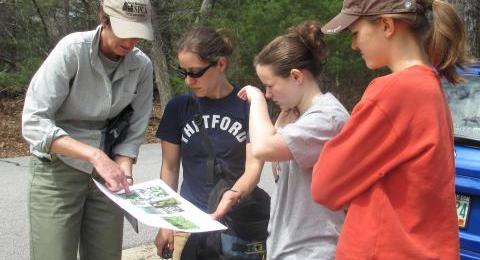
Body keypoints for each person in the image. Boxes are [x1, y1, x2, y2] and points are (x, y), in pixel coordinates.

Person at [311, 0, 468, 259]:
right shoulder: (429, 87)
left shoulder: (395, 91)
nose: (353, 45)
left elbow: (324, 184)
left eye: (356, 33)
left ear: (386, 25)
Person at [21, 0, 154, 259]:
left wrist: (124, 166)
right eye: (124, 31)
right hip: (57, 169)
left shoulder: (142, 66)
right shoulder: (72, 50)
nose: (130, 42)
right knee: (54, 253)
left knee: (105, 254)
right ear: (104, 19)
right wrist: (93, 155)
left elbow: (135, 128)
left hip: (108, 174)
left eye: (137, 34)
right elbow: (34, 121)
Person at [237, 21, 349, 259]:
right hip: (292, 248)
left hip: (314, 250)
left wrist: (256, 99)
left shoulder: (327, 118)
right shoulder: (297, 116)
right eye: (263, 89)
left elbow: (263, 148)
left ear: (296, 76)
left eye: (269, 85)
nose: (268, 94)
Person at [154, 27, 264, 260]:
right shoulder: (178, 107)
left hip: (235, 222)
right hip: (189, 221)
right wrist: (165, 222)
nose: (188, 81)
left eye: (195, 72)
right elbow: (170, 168)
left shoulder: (247, 106)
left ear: (221, 64)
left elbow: (254, 167)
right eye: (183, 72)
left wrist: (233, 196)